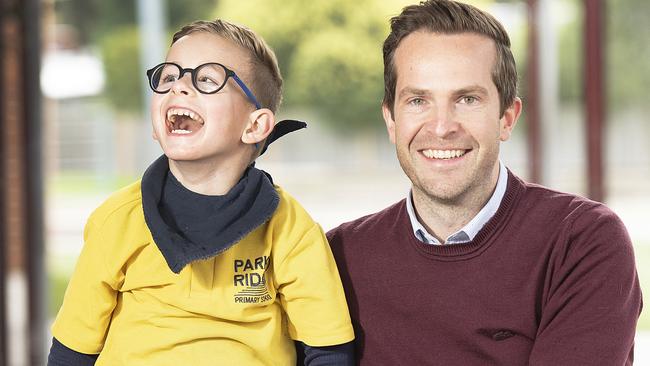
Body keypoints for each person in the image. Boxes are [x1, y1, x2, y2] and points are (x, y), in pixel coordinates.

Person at [327, 1, 642, 365]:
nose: (442, 126)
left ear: (507, 117)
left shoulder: (581, 242)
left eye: (467, 99)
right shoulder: (338, 257)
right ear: (391, 121)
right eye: (417, 100)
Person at [47, 19, 354, 366]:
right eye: (168, 77)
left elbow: (329, 350)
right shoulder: (116, 221)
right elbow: (71, 351)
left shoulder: (289, 228)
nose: (179, 87)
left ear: (255, 126)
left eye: (207, 79)